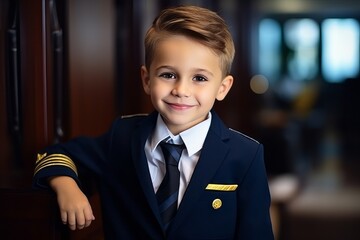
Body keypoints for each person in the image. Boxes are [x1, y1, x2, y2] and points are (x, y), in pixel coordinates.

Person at [33, 5, 274, 239]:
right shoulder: (123, 136)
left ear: (223, 88)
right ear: (147, 79)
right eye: (168, 75)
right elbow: (54, 154)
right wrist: (66, 186)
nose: (181, 90)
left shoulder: (245, 155)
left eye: (199, 78)